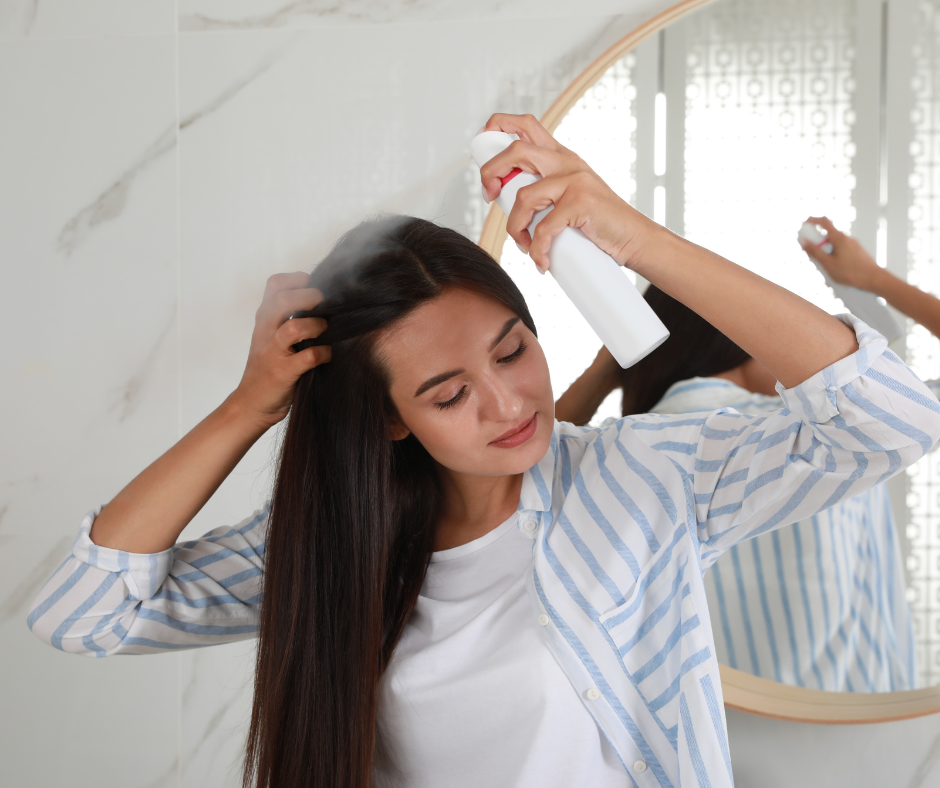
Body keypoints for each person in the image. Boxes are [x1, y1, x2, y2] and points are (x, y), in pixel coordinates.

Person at [26, 115, 940, 788]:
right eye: (448, 393)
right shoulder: (330, 543)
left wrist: (632, 235)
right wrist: (249, 405)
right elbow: (83, 611)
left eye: (514, 350)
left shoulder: (637, 482)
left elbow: (893, 419)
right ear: (389, 420)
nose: (508, 402)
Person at [557, 216, 940, 692]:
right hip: (865, 722)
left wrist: (607, 368)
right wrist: (871, 279)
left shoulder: (627, 450)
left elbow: (529, 475)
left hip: (731, 740)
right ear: (738, 334)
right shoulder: (842, 422)